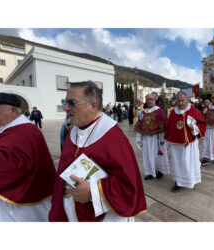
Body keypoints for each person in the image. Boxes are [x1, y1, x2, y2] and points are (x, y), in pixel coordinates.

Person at [49, 81, 146, 222]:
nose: (65, 107)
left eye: (72, 103)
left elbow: (129, 187)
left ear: (93, 106)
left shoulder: (113, 137)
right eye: (65, 102)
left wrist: (94, 192)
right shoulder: (75, 129)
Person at [0, 92, 56, 221]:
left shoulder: (26, 131)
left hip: (18, 210)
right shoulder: (9, 129)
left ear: (13, 111)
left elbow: (14, 167)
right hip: (4, 205)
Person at [164, 92, 206, 192]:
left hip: (190, 144)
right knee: (177, 163)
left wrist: (194, 128)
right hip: (176, 145)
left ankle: (191, 180)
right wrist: (167, 143)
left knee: (189, 163)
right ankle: (178, 182)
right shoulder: (173, 113)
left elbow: (202, 124)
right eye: (179, 101)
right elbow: (169, 128)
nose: (181, 103)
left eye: (183, 100)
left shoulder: (193, 110)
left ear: (187, 100)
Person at [135, 94, 169, 180]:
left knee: (158, 156)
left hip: (157, 138)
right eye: (147, 99)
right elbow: (140, 127)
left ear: (155, 100)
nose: (149, 101)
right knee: (147, 155)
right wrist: (139, 139)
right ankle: (150, 172)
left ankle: (160, 171)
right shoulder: (143, 113)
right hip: (146, 139)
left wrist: (163, 139)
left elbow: (164, 126)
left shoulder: (160, 111)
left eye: (151, 99)